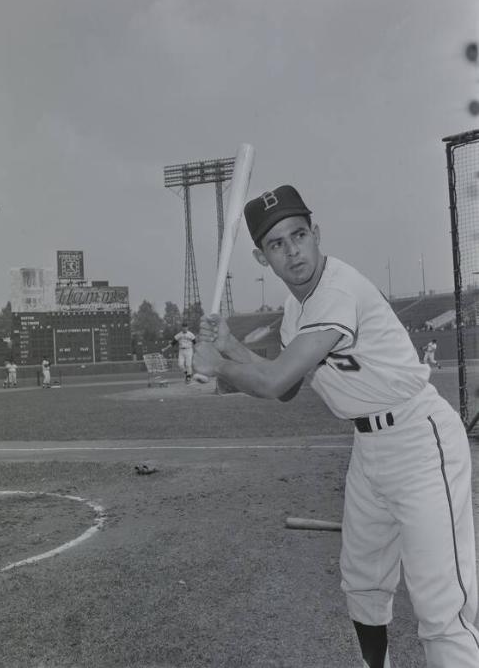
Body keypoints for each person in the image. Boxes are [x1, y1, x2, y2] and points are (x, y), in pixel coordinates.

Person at [193, 185, 479, 668]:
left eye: (298, 235)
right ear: (264, 260)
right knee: (363, 583)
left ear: (316, 234)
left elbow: (276, 379)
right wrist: (230, 346)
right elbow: (286, 389)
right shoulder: (293, 312)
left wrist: (219, 367)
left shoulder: (338, 290)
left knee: (441, 604)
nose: (292, 251)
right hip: (369, 450)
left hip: (419, 439)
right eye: (277, 244)